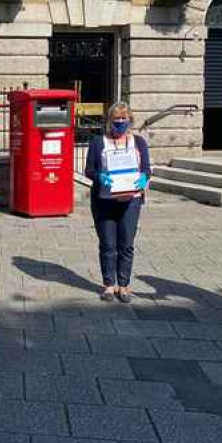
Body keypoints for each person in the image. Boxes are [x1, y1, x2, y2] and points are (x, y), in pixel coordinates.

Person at [83, 102, 151, 304]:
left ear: (130, 120)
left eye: (124, 118)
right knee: (108, 245)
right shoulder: (98, 142)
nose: (120, 122)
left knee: (127, 245)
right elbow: (89, 170)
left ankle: (124, 285)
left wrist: (144, 178)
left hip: (131, 200)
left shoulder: (138, 142)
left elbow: (146, 168)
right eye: (116, 119)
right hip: (105, 200)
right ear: (109, 121)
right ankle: (108, 286)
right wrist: (99, 177)